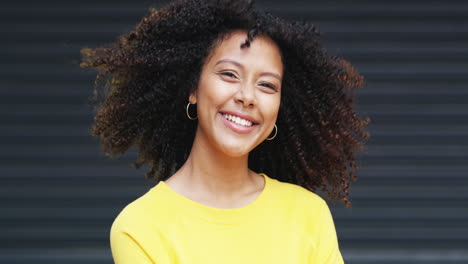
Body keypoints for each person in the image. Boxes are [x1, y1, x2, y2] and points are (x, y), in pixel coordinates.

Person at [80, 0, 369, 263]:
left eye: (267, 85)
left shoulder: (309, 215)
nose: (248, 96)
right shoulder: (140, 227)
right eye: (229, 74)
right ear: (192, 87)